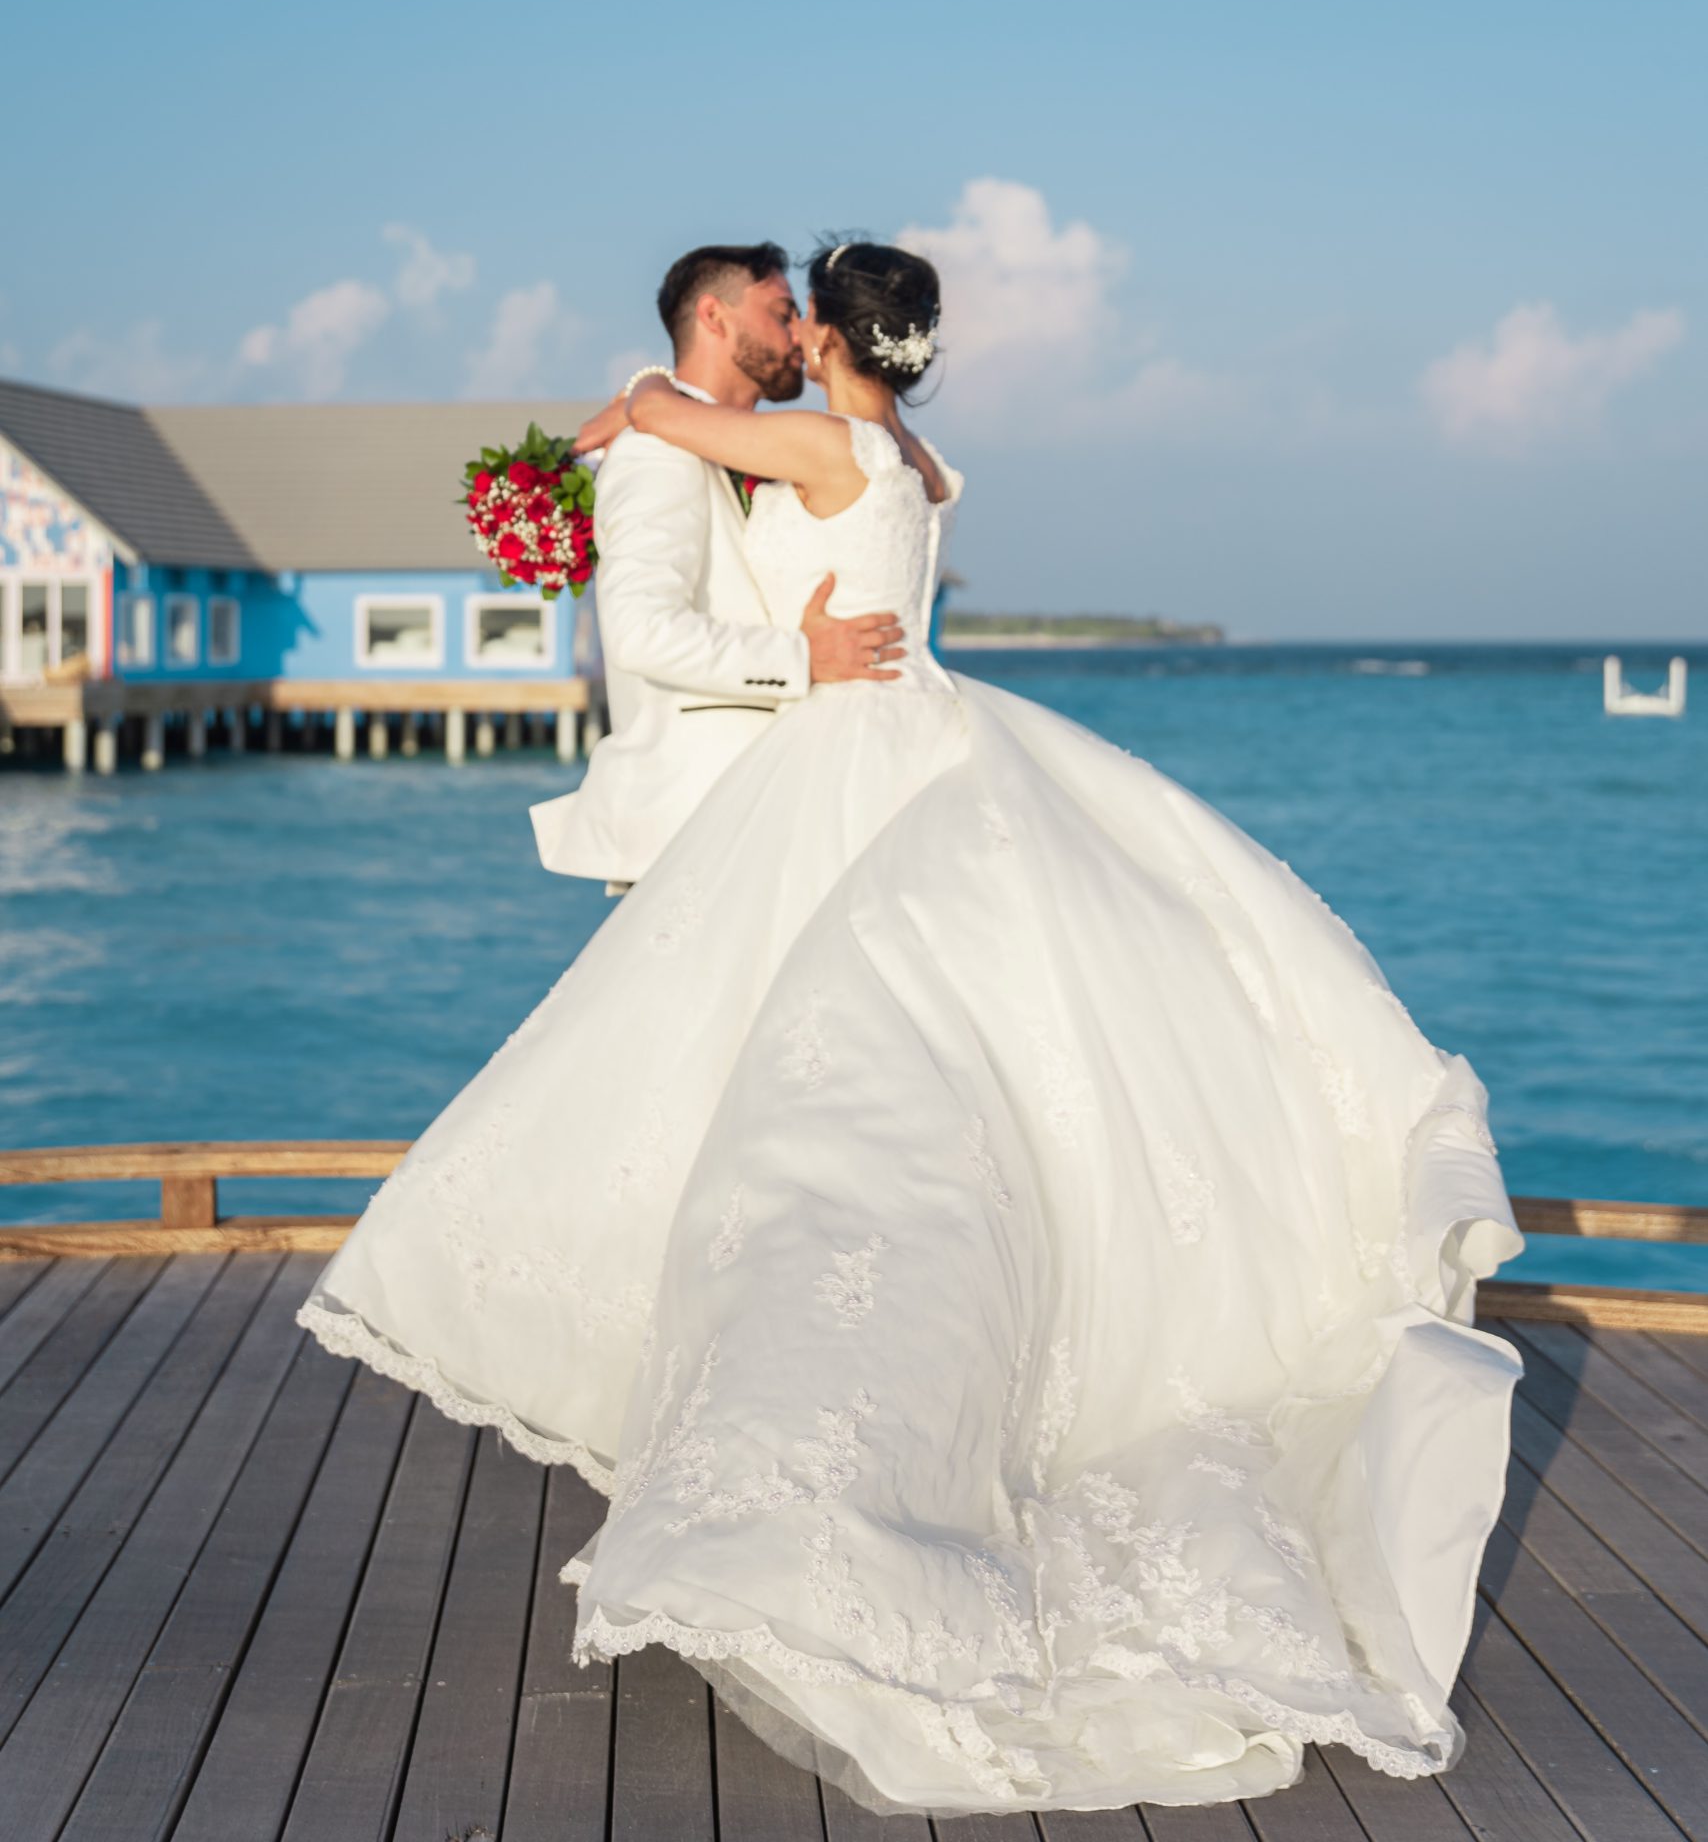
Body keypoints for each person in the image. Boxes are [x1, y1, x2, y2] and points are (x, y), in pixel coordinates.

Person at [300, 236, 1523, 1816]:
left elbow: (677, 423)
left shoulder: (816, 440)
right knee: (908, 1074)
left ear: (832, 338)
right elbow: (905, 471)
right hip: (928, 740)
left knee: (812, 1071)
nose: (791, 323)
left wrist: (624, 412)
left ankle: (796, 1405)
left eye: (808, 310)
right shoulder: (896, 457)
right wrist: (792, 403)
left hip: (846, 756)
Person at [529, 240, 907, 887]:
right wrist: (801, 658)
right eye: (782, 312)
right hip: (696, 824)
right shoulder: (655, 453)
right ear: (714, 316)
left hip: (786, 815)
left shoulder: (764, 451)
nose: (801, 334)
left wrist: (642, 391)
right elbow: (641, 632)